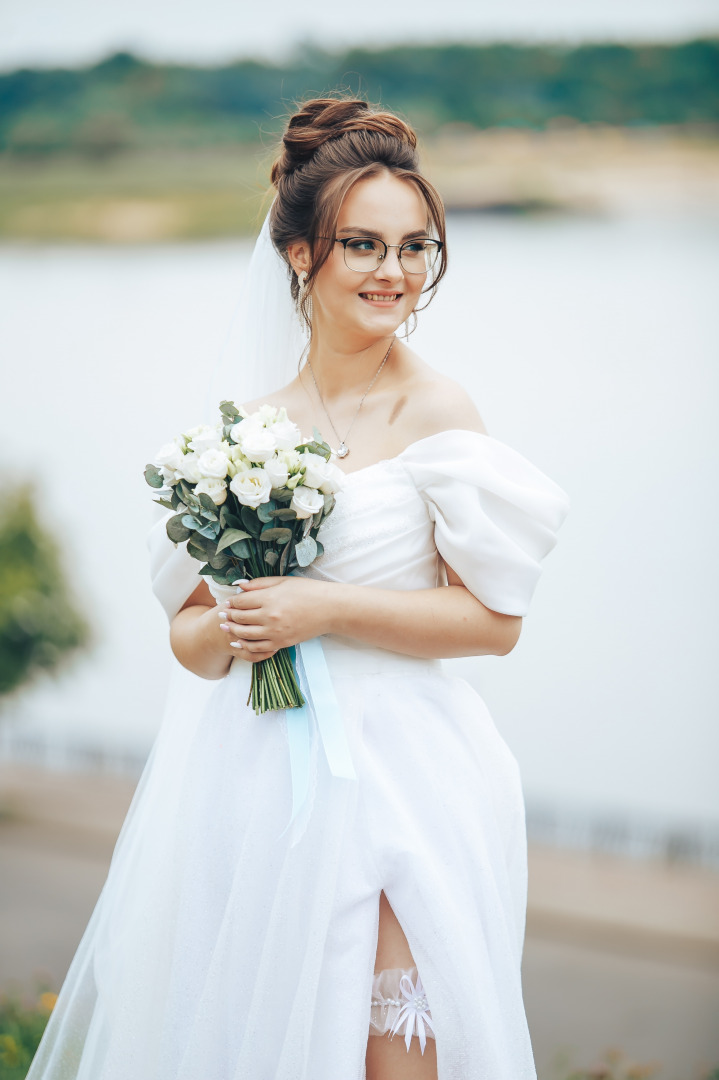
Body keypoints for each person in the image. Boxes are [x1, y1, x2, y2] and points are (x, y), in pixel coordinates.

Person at [27, 97, 569, 1080]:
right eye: (362, 244)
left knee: (395, 1043)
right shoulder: (245, 432)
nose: (393, 272)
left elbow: (492, 624)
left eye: (414, 248)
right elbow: (190, 642)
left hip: (407, 773)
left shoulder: (434, 407)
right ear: (299, 254)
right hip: (258, 777)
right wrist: (242, 622)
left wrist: (321, 608)